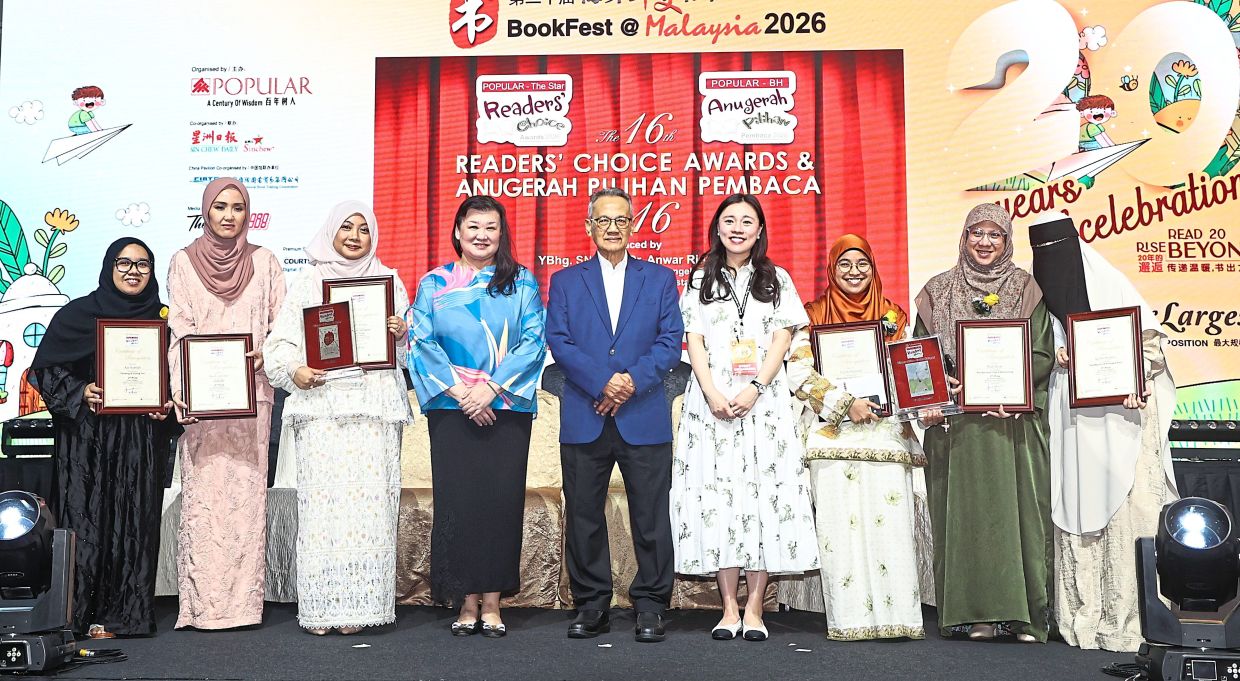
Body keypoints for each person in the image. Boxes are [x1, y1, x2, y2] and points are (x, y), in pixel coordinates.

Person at [671, 193, 819, 642]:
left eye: (747, 221)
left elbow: (782, 340)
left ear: (759, 231)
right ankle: (728, 607)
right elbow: (693, 339)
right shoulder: (699, 278)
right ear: (717, 228)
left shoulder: (777, 278)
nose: (737, 228)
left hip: (764, 404)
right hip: (710, 404)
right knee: (719, 500)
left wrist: (755, 388)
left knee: (760, 500)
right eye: (729, 220)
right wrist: (713, 392)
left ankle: (755, 608)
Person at [1029, 211, 1177, 652]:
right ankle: (1083, 618)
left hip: (1122, 423)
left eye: (1059, 252)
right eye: (1042, 256)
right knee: (1077, 509)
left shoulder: (1113, 288)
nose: (1053, 266)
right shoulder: (1042, 307)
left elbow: (1151, 349)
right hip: (1073, 426)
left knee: (1126, 515)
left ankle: (1129, 620)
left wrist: (1138, 382)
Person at [263, 201, 413, 635]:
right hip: (323, 407)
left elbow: (405, 350)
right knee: (325, 510)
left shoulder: (389, 280)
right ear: (330, 231)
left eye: (363, 229)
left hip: (373, 409)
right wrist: (296, 371)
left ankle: (361, 608)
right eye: (345, 227)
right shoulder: (309, 281)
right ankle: (324, 607)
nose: (354, 236)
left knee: (369, 508)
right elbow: (281, 345)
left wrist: (401, 333)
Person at [546, 188, 684, 643]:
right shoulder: (566, 281)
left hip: (643, 413)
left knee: (651, 515)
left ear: (633, 226)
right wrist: (603, 382)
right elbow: (560, 342)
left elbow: (669, 341)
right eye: (603, 220)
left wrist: (628, 381)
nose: (612, 228)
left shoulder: (661, 279)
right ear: (589, 227)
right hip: (585, 412)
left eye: (621, 220)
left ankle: (650, 604)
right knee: (584, 514)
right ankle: (591, 603)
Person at [407, 195, 546, 638]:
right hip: (452, 409)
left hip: (505, 408)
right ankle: (465, 600)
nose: (482, 235)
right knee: (460, 504)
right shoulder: (434, 283)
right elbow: (420, 342)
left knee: (500, 505)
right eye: (474, 227)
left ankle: (493, 602)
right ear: (457, 232)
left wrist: (490, 389)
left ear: (501, 234)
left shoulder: (521, 282)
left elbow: (532, 341)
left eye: (491, 227)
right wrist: (463, 393)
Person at [914, 202, 1054, 643]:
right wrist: (937, 392)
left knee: (1018, 519)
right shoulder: (938, 290)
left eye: (995, 235)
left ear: (1007, 241)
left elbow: (1042, 354)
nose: (985, 242)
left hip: (1010, 424)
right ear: (964, 237)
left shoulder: (1026, 288)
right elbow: (920, 358)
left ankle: (1023, 615)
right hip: (957, 428)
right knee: (966, 520)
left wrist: (1013, 392)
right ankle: (974, 614)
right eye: (978, 233)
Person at [29, 237, 182, 637]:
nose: (133, 271)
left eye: (143, 264)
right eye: (124, 263)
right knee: (85, 520)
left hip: (139, 441)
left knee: (135, 524)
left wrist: (166, 405)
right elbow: (43, 372)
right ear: (108, 267)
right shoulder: (78, 314)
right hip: (86, 442)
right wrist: (82, 392)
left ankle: (125, 615)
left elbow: (176, 377)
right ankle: (77, 613)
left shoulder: (165, 319)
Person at [786, 234, 926, 641]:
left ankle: (899, 617)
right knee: (840, 526)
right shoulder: (812, 315)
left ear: (874, 267)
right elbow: (797, 373)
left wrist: (905, 397)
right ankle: (850, 620)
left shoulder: (893, 316)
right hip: (833, 434)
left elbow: (909, 367)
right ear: (831, 269)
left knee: (891, 527)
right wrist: (845, 403)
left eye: (862, 263)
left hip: (884, 432)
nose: (854, 272)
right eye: (844, 264)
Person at [167, 177, 286, 629]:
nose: (229, 215)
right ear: (206, 211)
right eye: (220, 207)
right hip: (203, 403)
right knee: (205, 500)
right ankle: (204, 608)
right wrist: (182, 390)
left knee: (245, 499)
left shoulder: (267, 262)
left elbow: (283, 327)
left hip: (251, 397)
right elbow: (179, 331)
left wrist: (266, 355)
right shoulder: (182, 262)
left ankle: (241, 608)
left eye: (238, 207)